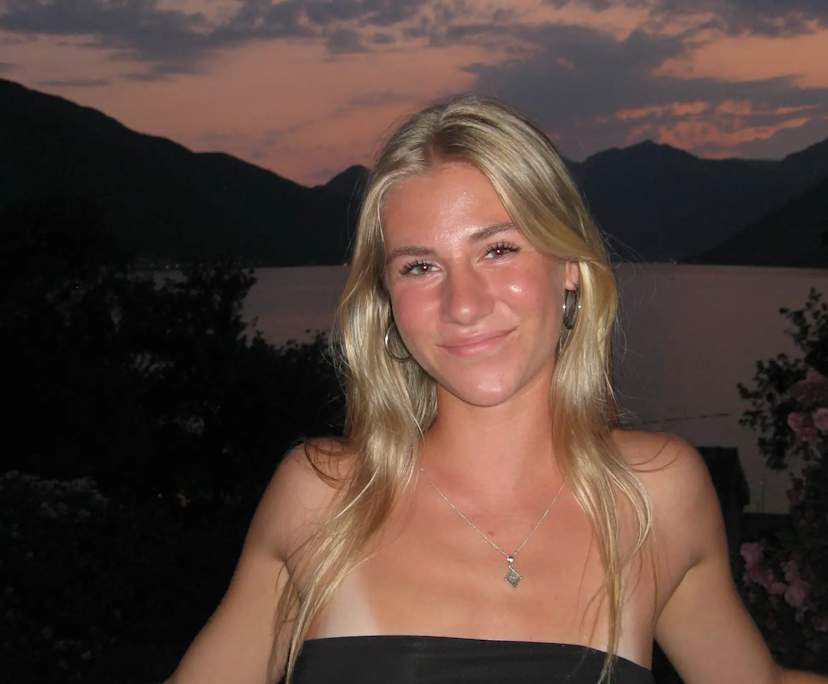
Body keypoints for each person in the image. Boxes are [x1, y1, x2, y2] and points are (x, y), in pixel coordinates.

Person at [165, 97, 827, 683]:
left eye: (499, 250)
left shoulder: (653, 496)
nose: (463, 304)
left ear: (569, 267)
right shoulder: (328, 500)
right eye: (420, 266)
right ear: (387, 300)